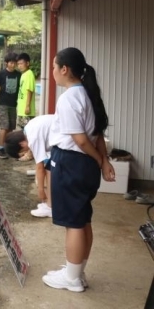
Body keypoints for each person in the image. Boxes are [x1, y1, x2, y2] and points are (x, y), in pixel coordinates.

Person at [41, 47, 114, 293]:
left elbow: (82, 140)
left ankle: (72, 279)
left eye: (53, 67)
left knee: (74, 222)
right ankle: (76, 271)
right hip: (84, 165)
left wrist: (98, 159)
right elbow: (98, 135)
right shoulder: (89, 94)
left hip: (73, 162)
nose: (52, 72)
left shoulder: (70, 98)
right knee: (82, 219)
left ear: (64, 69)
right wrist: (102, 160)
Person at [4, 114, 55, 218]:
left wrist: (40, 190)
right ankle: (49, 204)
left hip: (70, 139)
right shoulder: (28, 128)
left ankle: (50, 207)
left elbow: (40, 167)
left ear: (22, 144)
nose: (26, 152)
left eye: (23, 151)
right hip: (65, 136)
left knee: (49, 170)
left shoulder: (33, 138)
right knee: (48, 169)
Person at [0, 52, 21, 159]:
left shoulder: (18, 75)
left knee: (11, 127)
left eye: (15, 62)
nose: (13, 64)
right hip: (3, 103)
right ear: (6, 63)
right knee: (4, 126)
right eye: (11, 62)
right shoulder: (1, 74)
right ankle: (0, 148)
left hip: (13, 104)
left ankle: (8, 147)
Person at [16, 52, 36, 130]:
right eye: (18, 64)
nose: (19, 66)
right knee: (23, 130)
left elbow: (29, 91)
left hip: (26, 111)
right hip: (21, 110)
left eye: (21, 63)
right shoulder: (23, 74)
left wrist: (27, 106)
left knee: (27, 131)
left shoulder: (29, 74)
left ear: (27, 63)